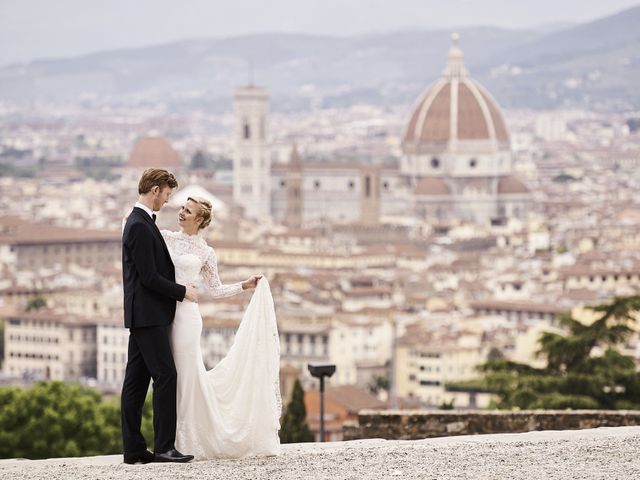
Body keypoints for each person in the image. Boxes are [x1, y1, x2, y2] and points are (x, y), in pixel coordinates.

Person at [161, 196, 281, 459]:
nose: (181, 213)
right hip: (165, 313)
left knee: (186, 375)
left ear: (200, 220)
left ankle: (184, 442)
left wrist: (244, 285)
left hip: (187, 318)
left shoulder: (206, 252)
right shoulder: (166, 237)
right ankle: (170, 441)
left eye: (188, 211)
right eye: (182, 208)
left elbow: (214, 289)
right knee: (170, 377)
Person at [121, 168, 197, 464]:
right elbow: (149, 276)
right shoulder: (139, 225)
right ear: (155, 190)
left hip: (142, 313)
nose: (166, 201)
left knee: (136, 382)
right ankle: (164, 446)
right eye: (166, 194)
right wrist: (182, 291)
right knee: (166, 376)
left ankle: (134, 449)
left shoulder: (137, 222)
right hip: (149, 314)